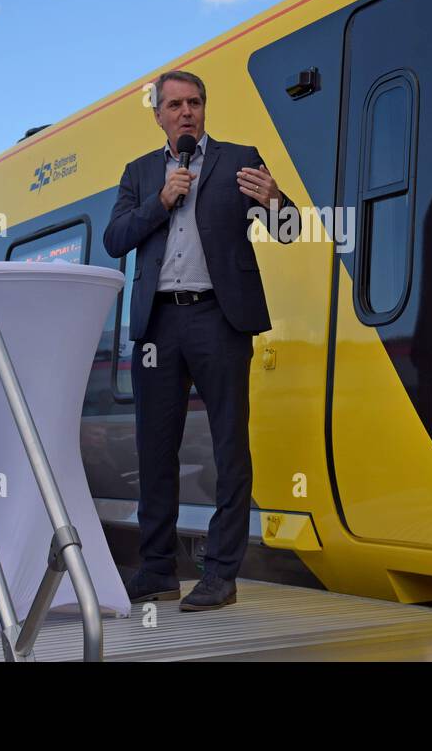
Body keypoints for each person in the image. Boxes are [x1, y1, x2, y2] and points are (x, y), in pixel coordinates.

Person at [103, 70, 296, 611]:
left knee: (229, 445)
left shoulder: (239, 159)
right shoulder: (140, 174)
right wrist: (160, 201)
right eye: (175, 105)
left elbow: (288, 231)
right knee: (154, 449)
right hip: (158, 325)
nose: (186, 112)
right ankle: (158, 570)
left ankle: (220, 575)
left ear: (204, 108)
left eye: (194, 103)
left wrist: (278, 201)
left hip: (219, 317)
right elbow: (115, 238)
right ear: (158, 115)